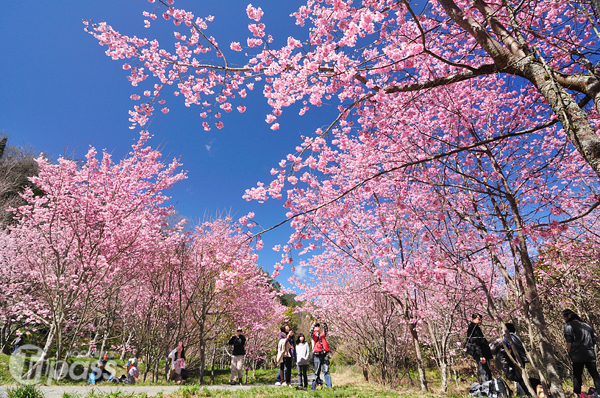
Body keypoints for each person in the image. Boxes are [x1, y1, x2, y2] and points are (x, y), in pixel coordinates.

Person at [563, 309, 600, 397]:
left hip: (577, 354)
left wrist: (569, 351)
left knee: (577, 374)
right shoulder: (586, 326)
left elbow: (569, 340)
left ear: (569, 316)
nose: (564, 319)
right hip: (589, 353)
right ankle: (599, 391)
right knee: (594, 374)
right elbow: (593, 340)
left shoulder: (568, 325)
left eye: (564, 316)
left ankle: (577, 393)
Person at [491, 323, 531, 396]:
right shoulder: (516, 337)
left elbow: (492, 348)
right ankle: (525, 393)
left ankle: (528, 394)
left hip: (515, 360)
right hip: (521, 359)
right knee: (521, 377)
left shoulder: (507, 337)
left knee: (518, 378)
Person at [465, 313, 493, 383]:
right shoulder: (473, 328)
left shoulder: (475, 327)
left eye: (481, 320)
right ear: (473, 319)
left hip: (482, 352)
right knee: (484, 371)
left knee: (486, 371)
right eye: (478, 319)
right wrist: (481, 355)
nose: (480, 321)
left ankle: (488, 388)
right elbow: (475, 343)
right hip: (481, 353)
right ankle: (486, 388)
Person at [310, 318, 332, 389]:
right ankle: (317, 386)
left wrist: (323, 322)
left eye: (318, 326)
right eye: (316, 326)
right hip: (317, 355)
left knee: (326, 370)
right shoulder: (313, 335)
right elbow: (310, 331)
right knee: (317, 371)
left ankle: (329, 387)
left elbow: (326, 329)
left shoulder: (322, 334)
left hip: (324, 354)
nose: (317, 327)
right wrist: (314, 323)